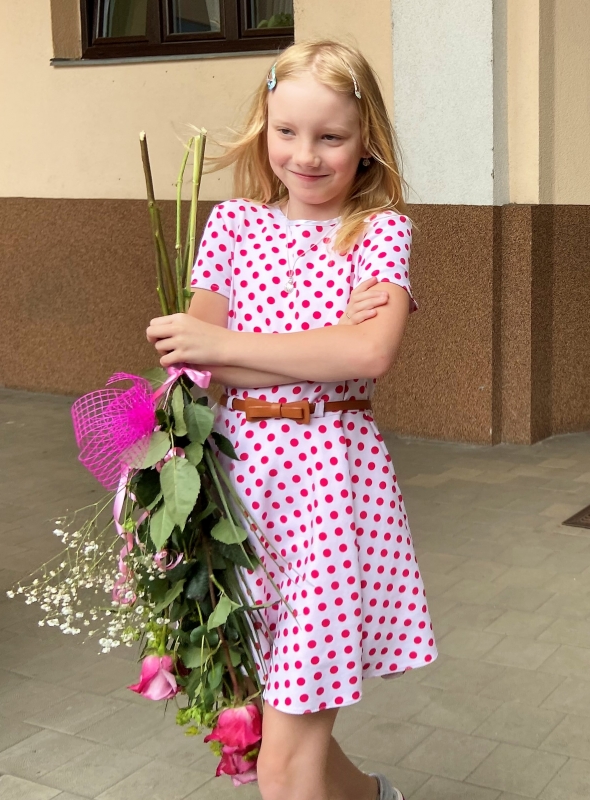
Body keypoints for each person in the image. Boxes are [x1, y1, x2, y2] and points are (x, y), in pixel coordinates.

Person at [146, 40, 436, 800]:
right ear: (263, 125)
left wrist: (228, 345)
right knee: (273, 729)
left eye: (330, 137)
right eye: (286, 131)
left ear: (366, 137)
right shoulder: (235, 225)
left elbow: (369, 355)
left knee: (280, 763)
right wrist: (316, 349)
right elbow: (191, 358)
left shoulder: (378, 232)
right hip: (241, 494)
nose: (304, 155)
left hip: (330, 495)